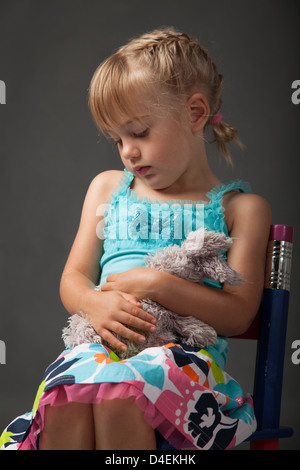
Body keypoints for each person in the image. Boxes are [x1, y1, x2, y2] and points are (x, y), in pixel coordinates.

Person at [0, 28, 271, 451]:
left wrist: (156, 283)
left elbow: (238, 316)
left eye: (140, 132)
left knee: (120, 397)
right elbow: (73, 278)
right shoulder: (109, 189)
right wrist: (93, 302)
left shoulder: (241, 210)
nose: (127, 151)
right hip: (102, 350)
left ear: (196, 112)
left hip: (185, 371)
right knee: (68, 396)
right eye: (117, 140)